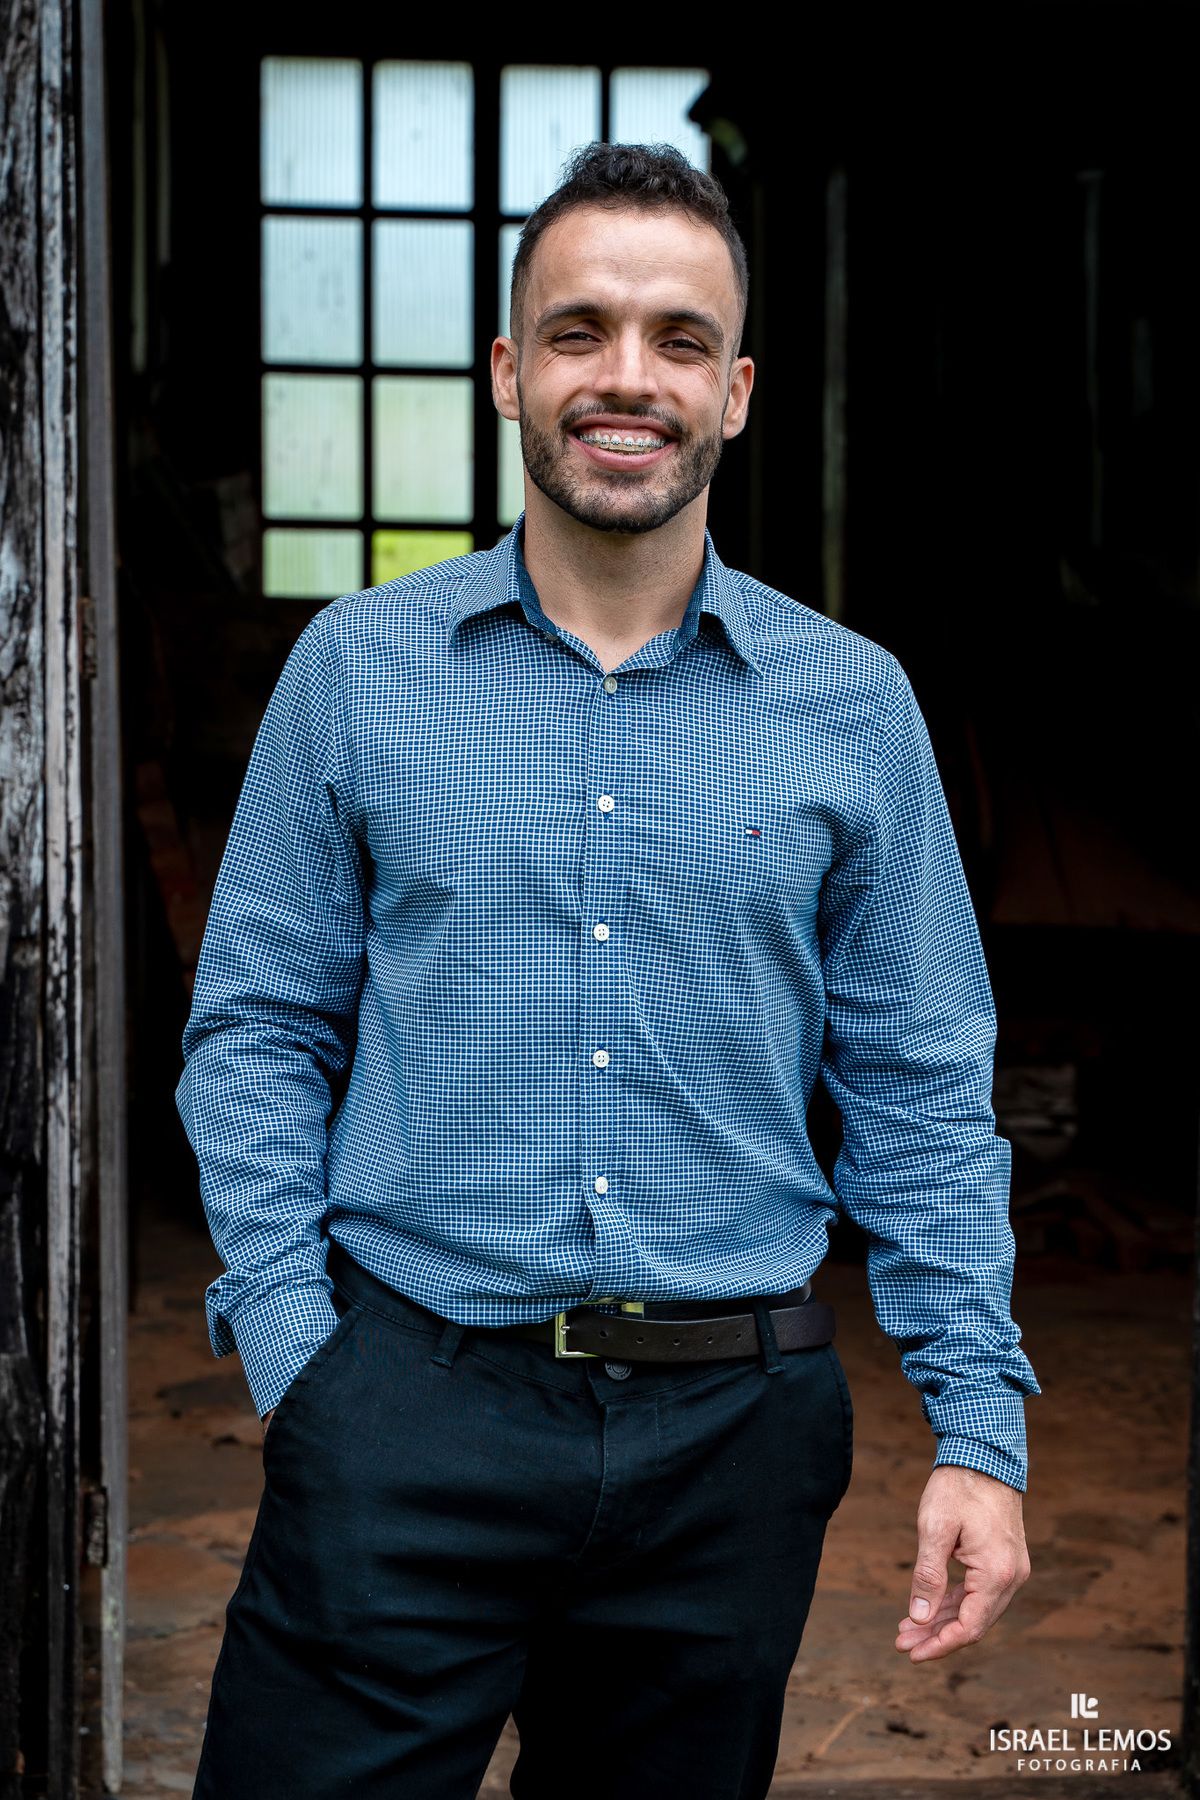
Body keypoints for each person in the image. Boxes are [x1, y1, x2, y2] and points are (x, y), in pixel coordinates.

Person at [178, 142, 1037, 1800]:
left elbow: (921, 1090)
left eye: (678, 339)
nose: (626, 377)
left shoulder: (855, 706)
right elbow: (256, 1031)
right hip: (405, 1409)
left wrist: (978, 1431)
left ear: (737, 392)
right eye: (579, 332)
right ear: (511, 372)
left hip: (734, 1447)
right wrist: (301, 1355)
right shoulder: (355, 671)